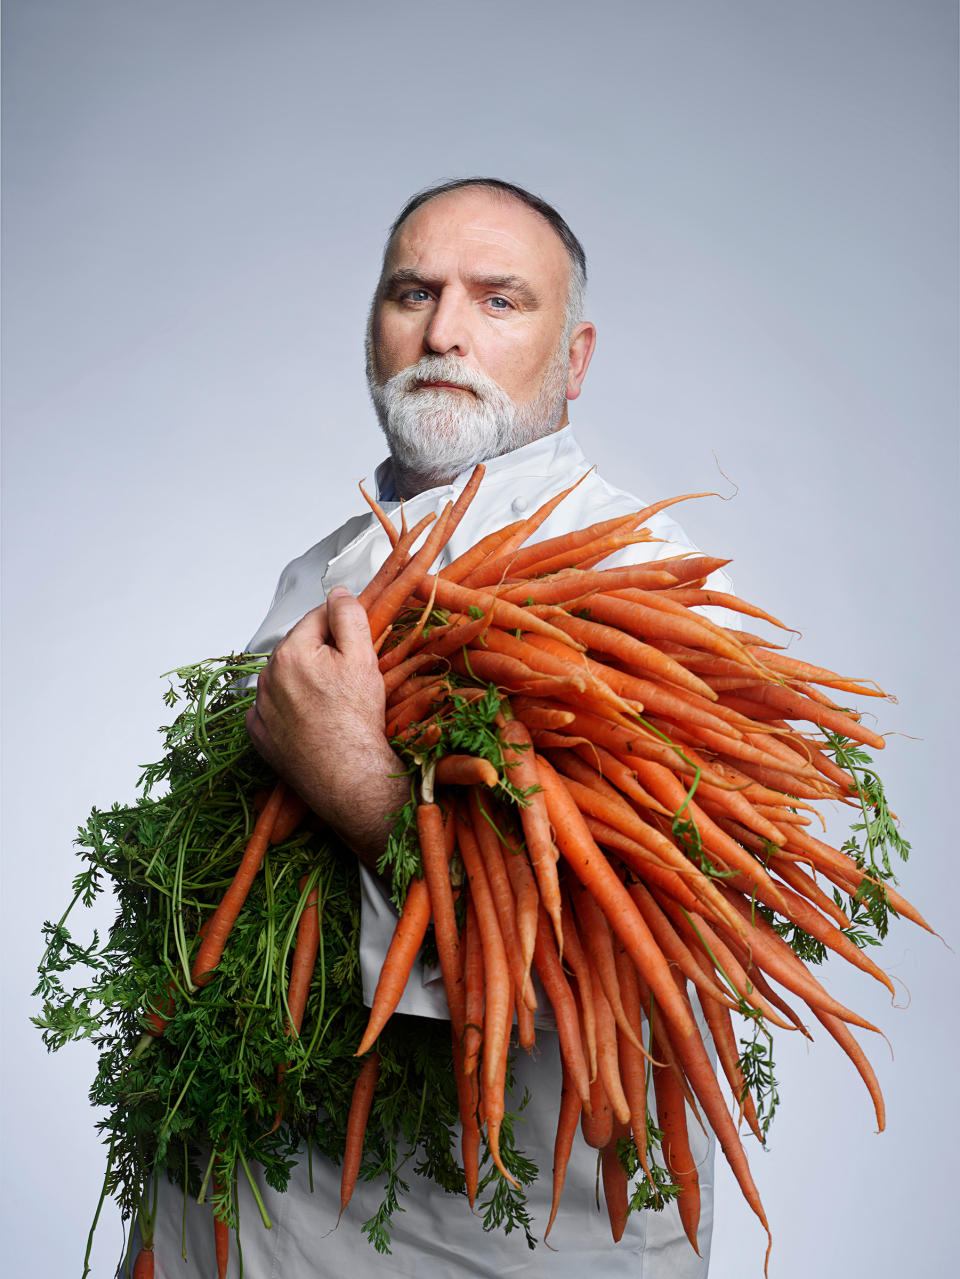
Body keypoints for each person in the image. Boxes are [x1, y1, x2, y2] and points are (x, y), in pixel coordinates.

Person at [149, 178, 727, 1276]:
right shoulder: (329, 558)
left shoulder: (635, 581)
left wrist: (362, 782)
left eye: (499, 301)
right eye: (413, 292)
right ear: (372, 326)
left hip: (483, 1230)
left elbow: (592, 952)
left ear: (578, 355)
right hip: (264, 1201)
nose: (446, 331)